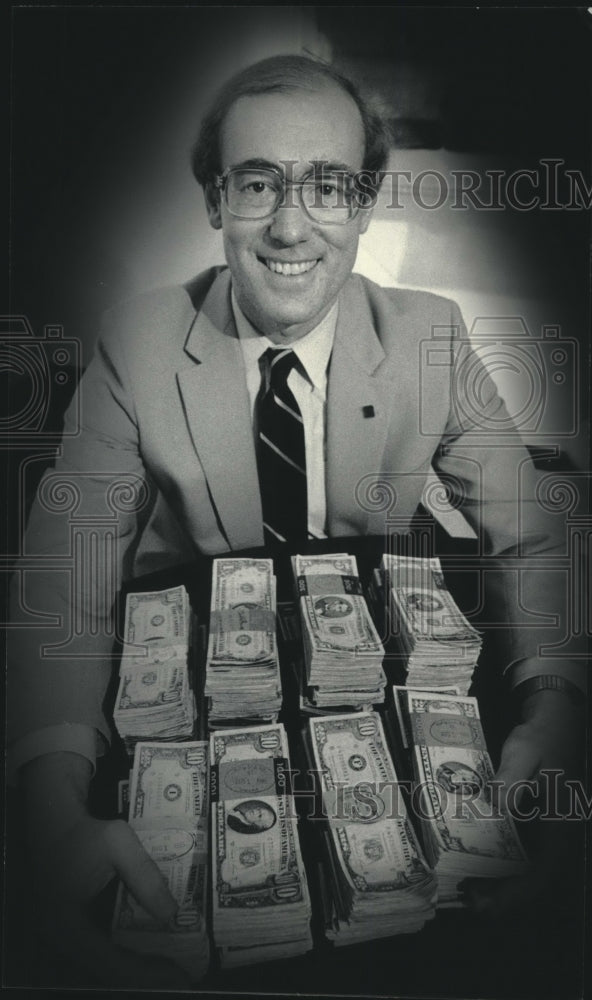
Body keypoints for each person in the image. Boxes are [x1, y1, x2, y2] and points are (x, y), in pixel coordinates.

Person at [6, 54, 585, 985]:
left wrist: (560, 709)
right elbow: (61, 581)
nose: (290, 224)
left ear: (363, 208)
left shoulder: (431, 334)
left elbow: (535, 530)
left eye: (328, 186)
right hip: (193, 689)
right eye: (257, 182)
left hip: (392, 679)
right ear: (214, 201)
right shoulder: (135, 340)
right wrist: (48, 798)